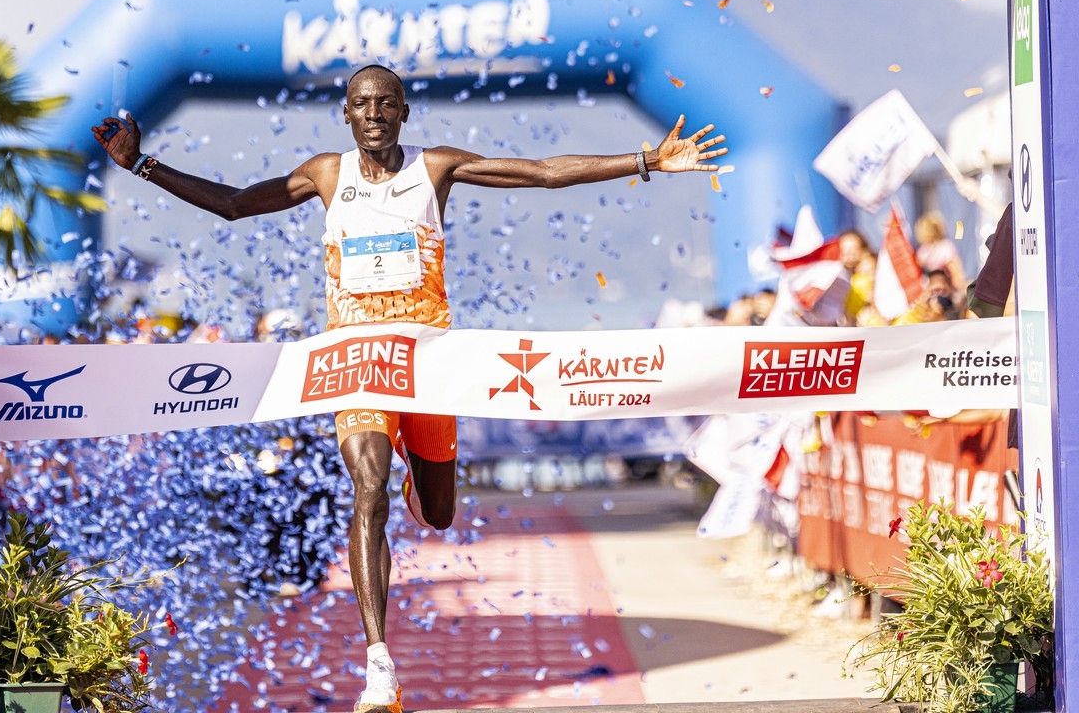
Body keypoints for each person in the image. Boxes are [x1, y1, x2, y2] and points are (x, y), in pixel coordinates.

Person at [91, 64, 728, 713]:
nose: (373, 114)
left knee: (440, 511)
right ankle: (379, 665)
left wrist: (647, 160)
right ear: (346, 113)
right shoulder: (326, 174)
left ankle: (417, 479)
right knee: (367, 486)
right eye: (362, 104)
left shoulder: (435, 167)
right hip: (358, 362)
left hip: (428, 366)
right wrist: (140, 163)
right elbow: (234, 204)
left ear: (404, 112)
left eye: (386, 103)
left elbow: (538, 172)